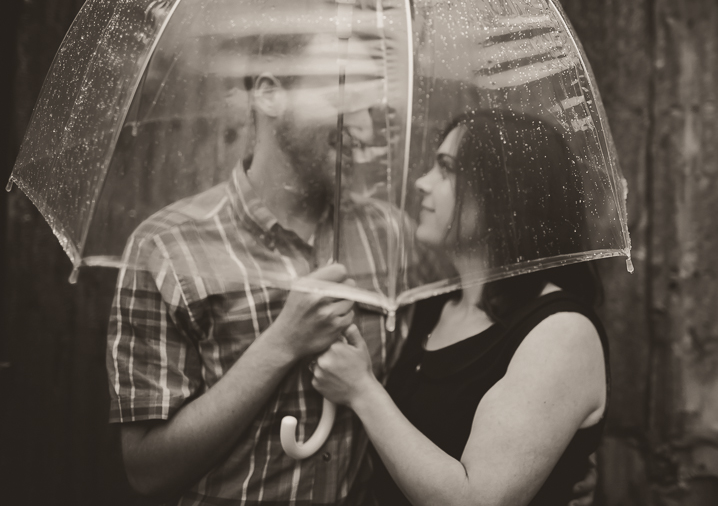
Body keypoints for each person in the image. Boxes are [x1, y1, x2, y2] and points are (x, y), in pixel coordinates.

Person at [106, 30, 598, 505]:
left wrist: (553, 462)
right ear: (272, 95)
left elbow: (486, 348)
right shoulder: (168, 247)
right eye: (347, 96)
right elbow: (146, 473)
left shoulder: (393, 238)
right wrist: (281, 344)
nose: (364, 128)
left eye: (370, 105)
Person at [312, 109, 610, 506]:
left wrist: (361, 390)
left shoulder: (561, 333)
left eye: (446, 169)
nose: (422, 183)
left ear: (505, 193)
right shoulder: (433, 306)